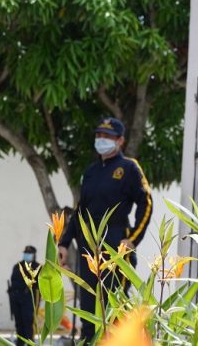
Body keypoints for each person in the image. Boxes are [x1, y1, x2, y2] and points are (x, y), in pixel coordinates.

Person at [58, 117, 153, 342]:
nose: (101, 140)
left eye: (107, 137)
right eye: (99, 135)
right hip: (88, 249)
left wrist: (132, 239)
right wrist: (64, 242)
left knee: (115, 310)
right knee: (89, 310)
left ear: (120, 141)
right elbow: (81, 209)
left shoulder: (129, 167)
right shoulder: (90, 172)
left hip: (115, 246)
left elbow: (146, 202)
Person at [7, 245, 40, 346]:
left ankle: (30, 342)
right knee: (19, 323)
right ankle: (20, 342)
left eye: (29, 253)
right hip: (17, 298)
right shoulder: (17, 266)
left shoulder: (37, 267)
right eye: (25, 253)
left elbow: (39, 284)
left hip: (30, 299)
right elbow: (13, 281)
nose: (27, 255)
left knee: (28, 323)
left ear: (34, 255)